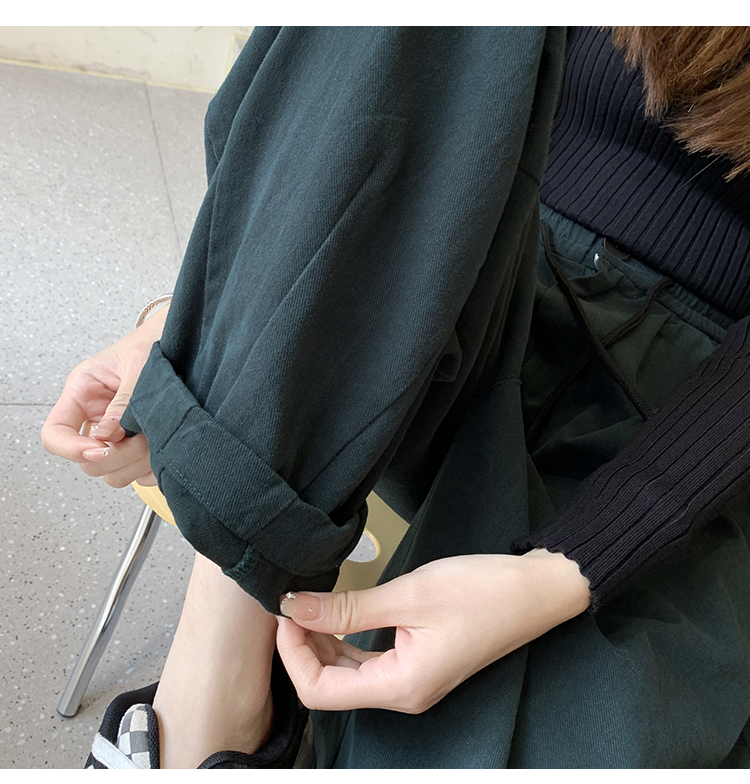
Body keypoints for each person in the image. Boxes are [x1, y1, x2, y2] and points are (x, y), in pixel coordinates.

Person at [41, 26, 750, 768]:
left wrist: (566, 570)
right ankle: (205, 715)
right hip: (454, 261)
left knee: (572, 732)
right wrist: (189, 325)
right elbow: (358, 98)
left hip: (700, 408)